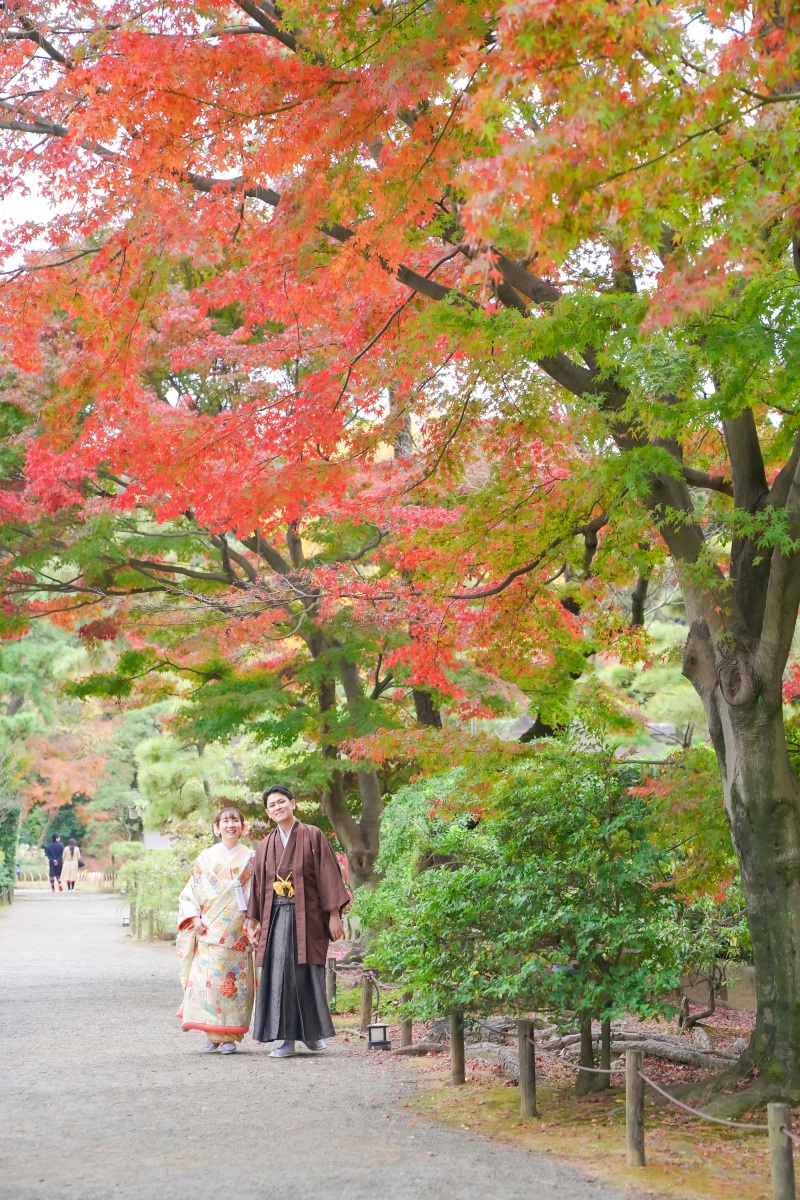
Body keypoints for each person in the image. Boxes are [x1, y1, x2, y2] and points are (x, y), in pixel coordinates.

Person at [246, 785, 350, 1058]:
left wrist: (334, 915)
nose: (278, 807)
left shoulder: (312, 835)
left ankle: (312, 1036)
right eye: (272, 805)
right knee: (281, 974)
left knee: (307, 973)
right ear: (268, 813)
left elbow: (328, 874)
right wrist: (253, 922)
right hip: (277, 916)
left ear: (293, 804)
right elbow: (258, 886)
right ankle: (288, 1039)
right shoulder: (265, 844)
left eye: (282, 802)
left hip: (309, 916)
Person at [176, 806, 255, 1055]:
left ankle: (229, 1036)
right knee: (209, 985)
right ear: (216, 827)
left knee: (234, 987)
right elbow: (190, 892)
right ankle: (212, 1032)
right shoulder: (205, 857)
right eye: (225, 821)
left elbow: (258, 894)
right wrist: (193, 917)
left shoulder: (252, 858)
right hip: (210, 928)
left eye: (235, 820)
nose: (230, 825)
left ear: (243, 826)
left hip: (238, 931)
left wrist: (254, 922)